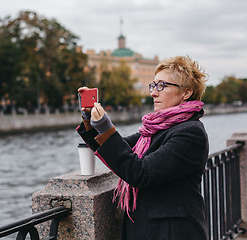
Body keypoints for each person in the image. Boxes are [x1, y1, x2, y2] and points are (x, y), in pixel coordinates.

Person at [77, 56, 209, 240]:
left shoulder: (190, 133)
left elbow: (140, 172)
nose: (154, 93)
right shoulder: (158, 129)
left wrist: (106, 127)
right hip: (151, 230)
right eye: (153, 86)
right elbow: (120, 149)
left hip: (173, 232)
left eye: (162, 86)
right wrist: (90, 122)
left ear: (186, 93)